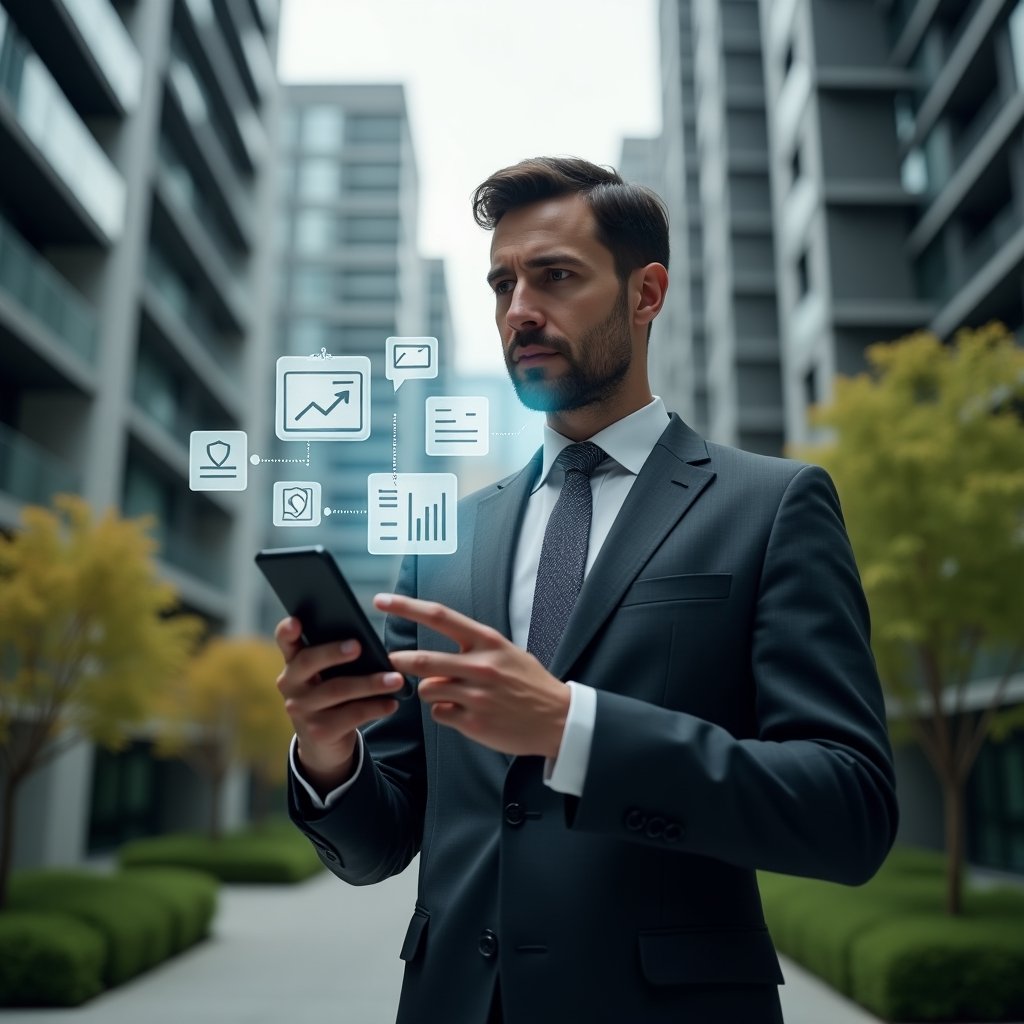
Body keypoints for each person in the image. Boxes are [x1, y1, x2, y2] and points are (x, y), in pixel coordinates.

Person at [274, 156, 898, 1024]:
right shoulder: (445, 539)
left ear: (646, 295)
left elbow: (849, 809)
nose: (519, 310)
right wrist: (330, 754)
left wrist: (578, 731)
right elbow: (382, 843)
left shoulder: (774, 506)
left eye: (556, 277)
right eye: (502, 284)